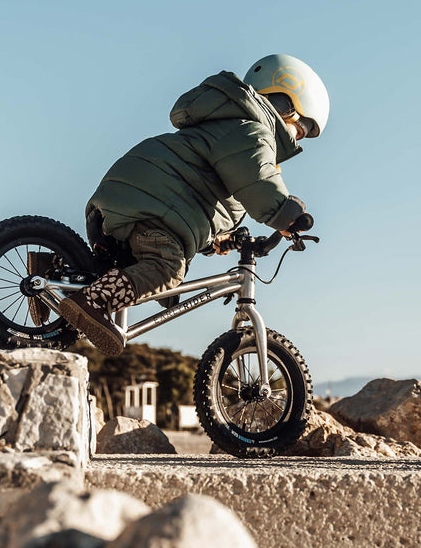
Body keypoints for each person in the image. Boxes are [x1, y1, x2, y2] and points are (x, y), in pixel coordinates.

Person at [58, 53, 328, 356]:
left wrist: (214, 241)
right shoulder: (252, 131)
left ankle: (49, 275)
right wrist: (285, 214)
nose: (297, 139)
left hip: (135, 197)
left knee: (130, 266)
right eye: (300, 129)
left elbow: (197, 199)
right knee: (166, 269)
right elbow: (259, 182)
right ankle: (94, 301)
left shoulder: (227, 123)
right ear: (286, 106)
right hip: (152, 205)